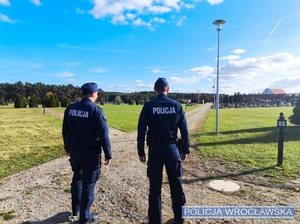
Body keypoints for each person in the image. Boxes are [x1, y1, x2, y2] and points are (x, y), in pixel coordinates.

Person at [137, 77, 190, 224]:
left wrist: (141, 151)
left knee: (155, 187)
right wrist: (185, 149)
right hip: (172, 149)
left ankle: (155, 221)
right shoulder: (176, 105)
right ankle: (180, 218)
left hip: (155, 150)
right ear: (168, 89)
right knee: (176, 184)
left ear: (155, 89)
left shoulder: (149, 106)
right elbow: (184, 130)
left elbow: (141, 130)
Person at [62, 82, 112, 224]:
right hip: (90, 154)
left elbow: (65, 130)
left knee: (77, 177)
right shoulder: (96, 111)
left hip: (75, 152)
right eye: (96, 93)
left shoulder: (70, 108)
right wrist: (108, 154)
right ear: (92, 94)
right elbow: (103, 135)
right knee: (88, 184)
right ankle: (85, 217)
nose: (97, 95)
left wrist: (67, 148)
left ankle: (76, 209)